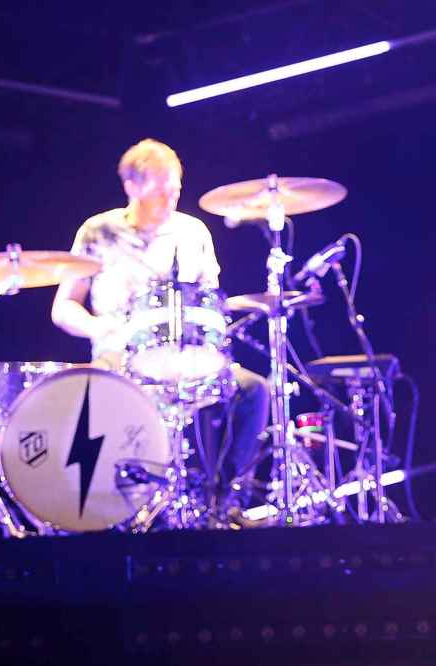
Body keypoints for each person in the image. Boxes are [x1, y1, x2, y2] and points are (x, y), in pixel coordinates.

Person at [51, 138, 269, 524]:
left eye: (175, 188)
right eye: (160, 189)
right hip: (118, 356)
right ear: (131, 187)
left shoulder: (193, 232)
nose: (170, 197)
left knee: (254, 391)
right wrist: (100, 327)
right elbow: (63, 307)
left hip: (186, 354)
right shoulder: (98, 231)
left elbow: (211, 302)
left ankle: (222, 501)